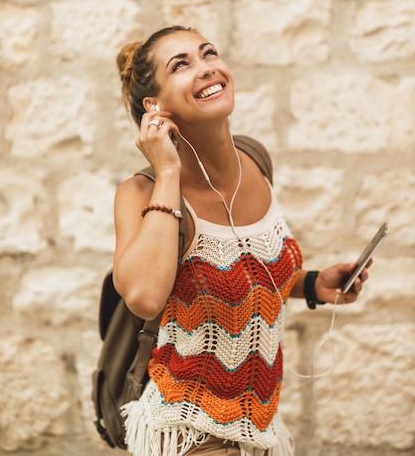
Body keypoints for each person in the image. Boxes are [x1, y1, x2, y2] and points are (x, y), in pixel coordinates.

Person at [113, 26, 370, 456]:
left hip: (263, 429)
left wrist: (310, 285)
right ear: (153, 106)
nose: (206, 68)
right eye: (181, 65)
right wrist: (168, 172)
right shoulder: (141, 192)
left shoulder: (254, 159)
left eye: (208, 53)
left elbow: (240, 277)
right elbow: (143, 297)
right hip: (188, 430)